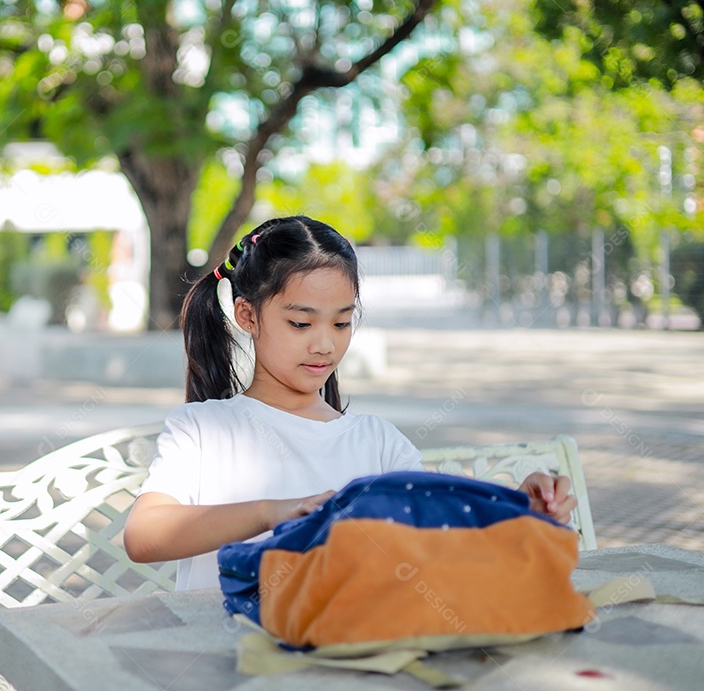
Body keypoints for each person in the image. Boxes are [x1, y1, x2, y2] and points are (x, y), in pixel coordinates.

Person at [123, 215, 577, 590]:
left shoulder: (375, 442)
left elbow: (443, 528)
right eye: (301, 323)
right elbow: (144, 538)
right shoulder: (204, 429)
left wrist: (519, 509)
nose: (324, 344)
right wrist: (271, 511)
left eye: (341, 323)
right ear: (247, 315)